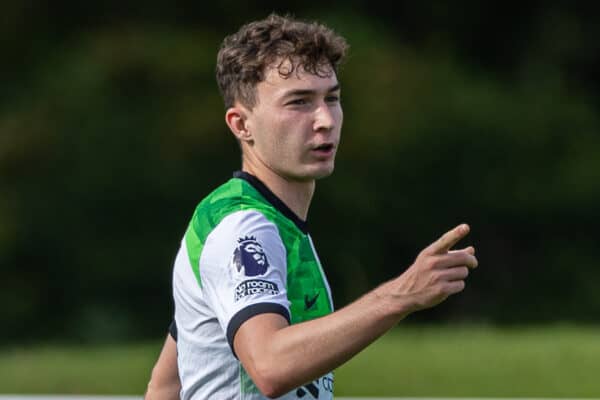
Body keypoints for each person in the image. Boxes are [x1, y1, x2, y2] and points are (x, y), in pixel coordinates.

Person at [145, 13, 478, 400]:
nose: (325, 120)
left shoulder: (262, 221)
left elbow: (166, 385)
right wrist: (401, 294)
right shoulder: (244, 227)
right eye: (299, 102)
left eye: (331, 98)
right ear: (241, 125)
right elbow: (270, 366)